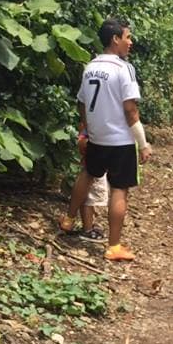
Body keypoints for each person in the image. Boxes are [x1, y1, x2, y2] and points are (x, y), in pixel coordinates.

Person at [58, 19, 152, 262]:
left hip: (97, 137)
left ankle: (68, 219)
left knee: (88, 174)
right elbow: (130, 110)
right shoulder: (123, 68)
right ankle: (114, 246)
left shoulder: (90, 67)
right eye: (127, 37)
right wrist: (143, 144)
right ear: (115, 39)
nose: (130, 42)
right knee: (119, 189)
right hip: (120, 141)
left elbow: (82, 103)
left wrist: (87, 129)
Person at [76, 128, 108, 243]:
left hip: (95, 162)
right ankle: (87, 229)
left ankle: (88, 225)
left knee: (90, 197)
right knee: (89, 198)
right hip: (95, 165)